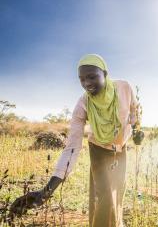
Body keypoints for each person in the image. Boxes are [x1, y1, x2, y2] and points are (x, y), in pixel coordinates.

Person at [10, 54, 144, 227]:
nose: (87, 83)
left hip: (121, 149)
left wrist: (137, 128)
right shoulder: (83, 104)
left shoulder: (124, 88)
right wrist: (46, 191)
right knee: (105, 197)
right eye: (82, 79)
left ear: (105, 73)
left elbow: (135, 109)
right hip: (99, 149)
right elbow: (71, 148)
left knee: (117, 191)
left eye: (92, 76)